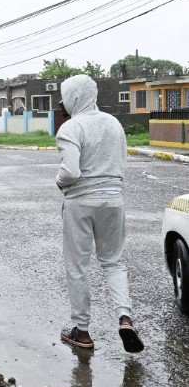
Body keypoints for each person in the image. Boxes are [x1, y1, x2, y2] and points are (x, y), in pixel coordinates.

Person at [55, 74, 144, 353]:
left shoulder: (71, 128)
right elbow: (123, 164)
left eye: (65, 96)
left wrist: (59, 182)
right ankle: (125, 318)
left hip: (81, 202)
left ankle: (82, 333)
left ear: (74, 97)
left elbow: (70, 172)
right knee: (114, 262)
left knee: (78, 267)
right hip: (113, 200)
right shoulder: (114, 124)